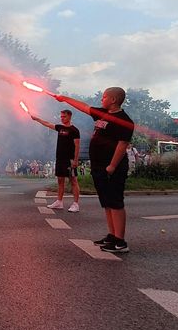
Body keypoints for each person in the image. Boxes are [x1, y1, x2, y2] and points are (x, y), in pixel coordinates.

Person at [55, 88, 135, 253]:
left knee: (115, 202)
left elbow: (122, 145)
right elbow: (83, 106)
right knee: (107, 203)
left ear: (113, 99)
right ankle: (112, 235)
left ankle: (120, 241)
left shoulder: (124, 120)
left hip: (112, 167)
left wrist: (112, 166)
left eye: (104, 96)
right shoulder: (101, 113)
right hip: (99, 166)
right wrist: (64, 98)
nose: (101, 98)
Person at [29, 109, 81, 213]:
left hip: (69, 160)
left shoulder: (74, 130)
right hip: (60, 158)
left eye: (64, 116)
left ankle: (76, 204)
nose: (62, 118)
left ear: (69, 117)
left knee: (73, 180)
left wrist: (75, 160)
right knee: (60, 180)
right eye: (61, 116)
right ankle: (59, 202)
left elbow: (77, 146)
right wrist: (37, 119)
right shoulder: (60, 127)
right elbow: (47, 124)